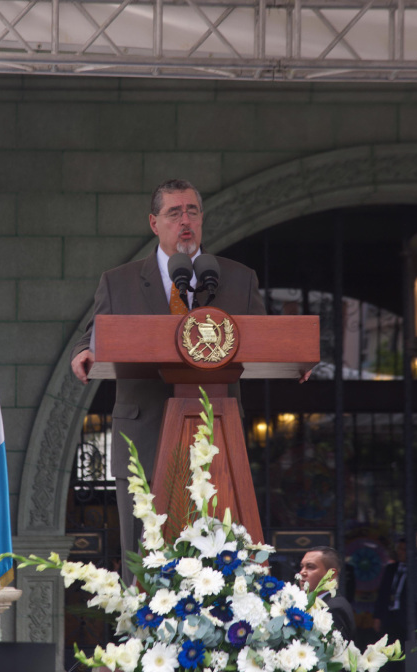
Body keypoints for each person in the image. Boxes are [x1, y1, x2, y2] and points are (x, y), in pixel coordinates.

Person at [70, 179, 269, 576]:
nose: (185, 221)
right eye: (174, 213)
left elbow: (266, 339)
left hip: (216, 434)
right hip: (143, 433)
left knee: (220, 549)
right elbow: (93, 335)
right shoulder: (119, 281)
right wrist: (84, 351)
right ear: (154, 222)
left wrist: (299, 356)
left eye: (192, 211)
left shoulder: (237, 278)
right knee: (143, 554)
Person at [299, 546, 356, 640]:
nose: (302, 572)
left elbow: (336, 650)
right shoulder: (314, 602)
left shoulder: (334, 608)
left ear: (331, 574)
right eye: (302, 567)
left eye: (310, 567)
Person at [373, 539, 407, 647]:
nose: (400, 552)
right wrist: (377, 617)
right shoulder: (391, 569)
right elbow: (382, 594)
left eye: (403, 550)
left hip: (407, 617)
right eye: (399, 549)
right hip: (390, 617)